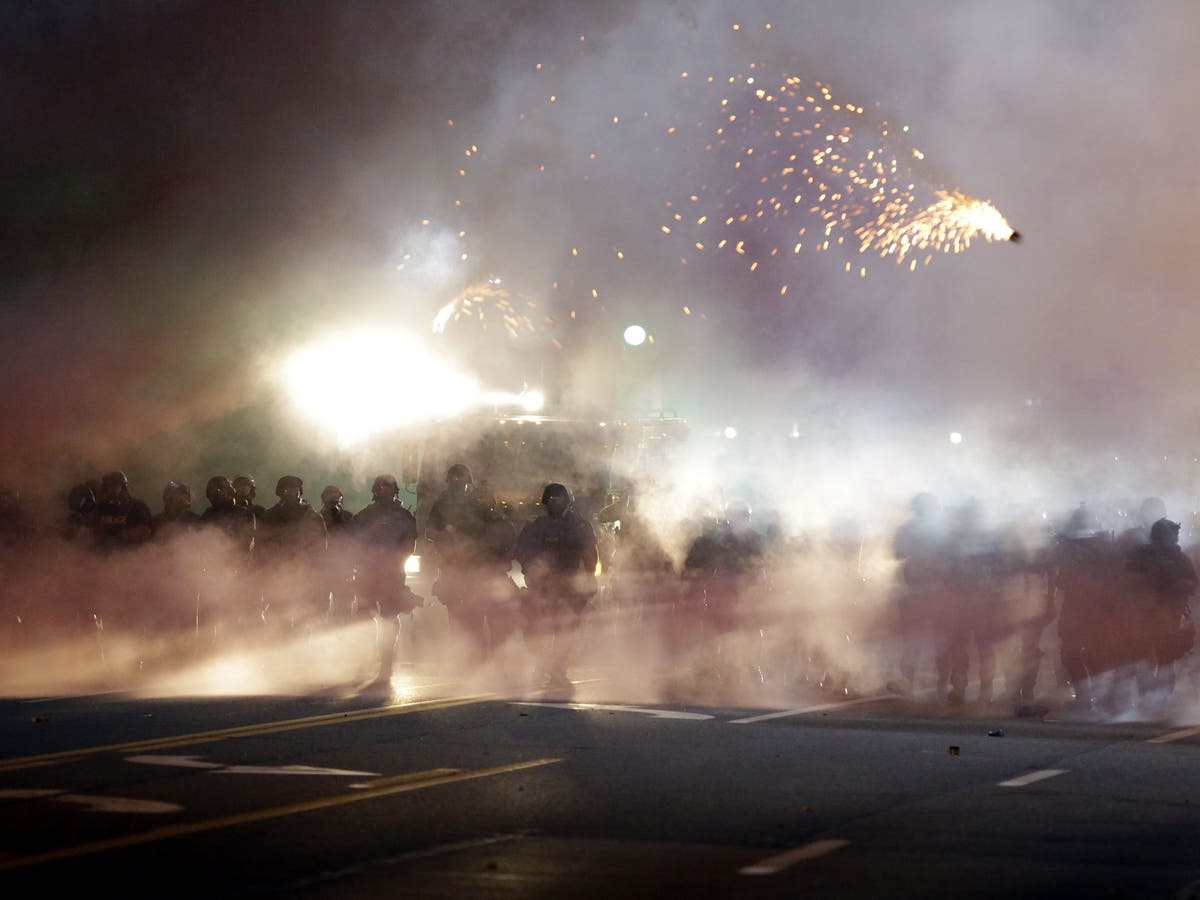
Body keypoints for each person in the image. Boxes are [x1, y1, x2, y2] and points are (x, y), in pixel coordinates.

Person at [426, 463, 518, 658]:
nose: (459, 486)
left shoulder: (479, 504)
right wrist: (448, 536)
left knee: (489, 617)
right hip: (456, 568)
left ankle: (487, 659)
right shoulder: (442, 505)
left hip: (481, 569)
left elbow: (502, 532)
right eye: (455, 481)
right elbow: (431, 532)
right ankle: (469, 659)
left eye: (462, 481)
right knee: (461, 619)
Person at [515, 482, 598, 690]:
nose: (555, 503)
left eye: (559, 499)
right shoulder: (535, 526)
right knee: (537, 630)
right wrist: (530, 572)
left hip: (570, 587)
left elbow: (591, 557)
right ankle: (542, 666)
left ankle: (559, 671)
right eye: (551, 499)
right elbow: (522, 553)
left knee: (566, 632)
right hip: (542, 587)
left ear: (567, 501)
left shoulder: (579, 526)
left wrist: (589, 579)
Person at [1125, 517, 1197, 714]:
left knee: (1165, 659)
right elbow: (1128, 581)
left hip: (1169, 615)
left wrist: (1177, 585)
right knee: (1143, 658)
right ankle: (1148, 698)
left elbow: (1191, 583)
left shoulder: (1179, 559)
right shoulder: (1142, 557)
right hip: (1145, 614)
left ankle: (1160, 699)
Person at [353, 474, 420, 681]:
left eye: (388, 488)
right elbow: (355, 543)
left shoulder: (403, 516)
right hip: (368, 571)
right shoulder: (364, 516)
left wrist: (396, 560)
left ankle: (387, 661)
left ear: (394, 491)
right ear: (375, 490)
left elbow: (409, 544)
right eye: (380, 488)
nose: (384, 491)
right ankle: (367, 657)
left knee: (390, 616)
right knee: (365, 615)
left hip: (392, 571)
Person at [890, 492, 951, 698]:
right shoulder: (943, 529)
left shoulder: (907, 529)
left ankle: (912, 681)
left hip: (919, 591)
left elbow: (898, 554)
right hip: (932, 591)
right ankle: (941, 683)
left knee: (915, 639)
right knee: (937, 639)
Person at [256, 475, 329, 632]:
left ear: (300, 491)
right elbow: (261, 547)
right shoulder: (269, 517)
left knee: (304, 621)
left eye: (295, 489)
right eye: (286, 489)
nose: (291, 493)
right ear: (280, 492)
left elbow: (321, 549)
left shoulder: (313, 517)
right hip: (277, 574)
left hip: (305, 574)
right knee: (278, 621)